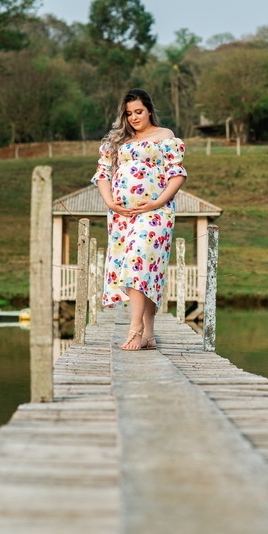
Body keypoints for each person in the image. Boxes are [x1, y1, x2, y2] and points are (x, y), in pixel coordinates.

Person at [91, 88, 187, 350]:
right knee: (146, 270)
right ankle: (149, 336)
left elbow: (177, 174)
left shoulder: (165, 136)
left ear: (149, 110)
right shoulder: (117, 141)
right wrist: (110, 202)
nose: (133, 117)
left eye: (138, 112)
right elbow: (103, 174)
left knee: (139, 262)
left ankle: (135, 330)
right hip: (122, 215)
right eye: (128, 113)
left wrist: (157, 202)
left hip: (156, 212)